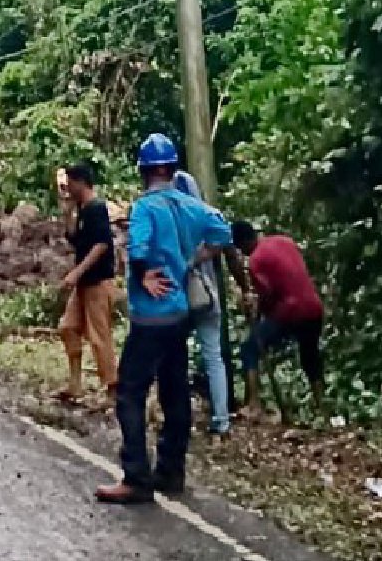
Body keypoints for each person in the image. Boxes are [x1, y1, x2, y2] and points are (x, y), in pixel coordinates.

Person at [95, 133, 232, 504]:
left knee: (130, 392)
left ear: (143, 170)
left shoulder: (144, 208)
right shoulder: (191, 206)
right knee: (174, 391)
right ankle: (171, 471)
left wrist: (143, 276)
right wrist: (193, 259)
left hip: (151, 316)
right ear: (172, 168)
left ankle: (136, 476)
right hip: (180, 313)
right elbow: (224, 232)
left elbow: (138, 248)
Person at [171, 171, 254, 438]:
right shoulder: (208, 215)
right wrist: (245, 288)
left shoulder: (170, 218)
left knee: (174, 356)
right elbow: (232, 256)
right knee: (213, 356)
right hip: (208, 296)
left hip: (180, 297)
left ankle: (177, 416)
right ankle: (221, 420)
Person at [230, 221, 325, 418]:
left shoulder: (256, 259)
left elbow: (267, 294)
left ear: (244, 243)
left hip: (292, 312)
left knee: (249, 348)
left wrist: (254, 308)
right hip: (314, 308)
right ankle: (322, 408)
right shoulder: (285, 241)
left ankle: (254, 403)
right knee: (310, 357)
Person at [55, 164, 119, 404]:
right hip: (84, 283)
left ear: (81, 182)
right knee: (68, 328)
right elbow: (74, 238)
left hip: (97, 281)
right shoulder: (82, 209)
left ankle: (113, 388)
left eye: (70, 183)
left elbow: (102, 244)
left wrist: (76, 273)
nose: (68, 187)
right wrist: (67, 210)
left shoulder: (96, 208)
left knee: (99, 335)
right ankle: (75, 384)